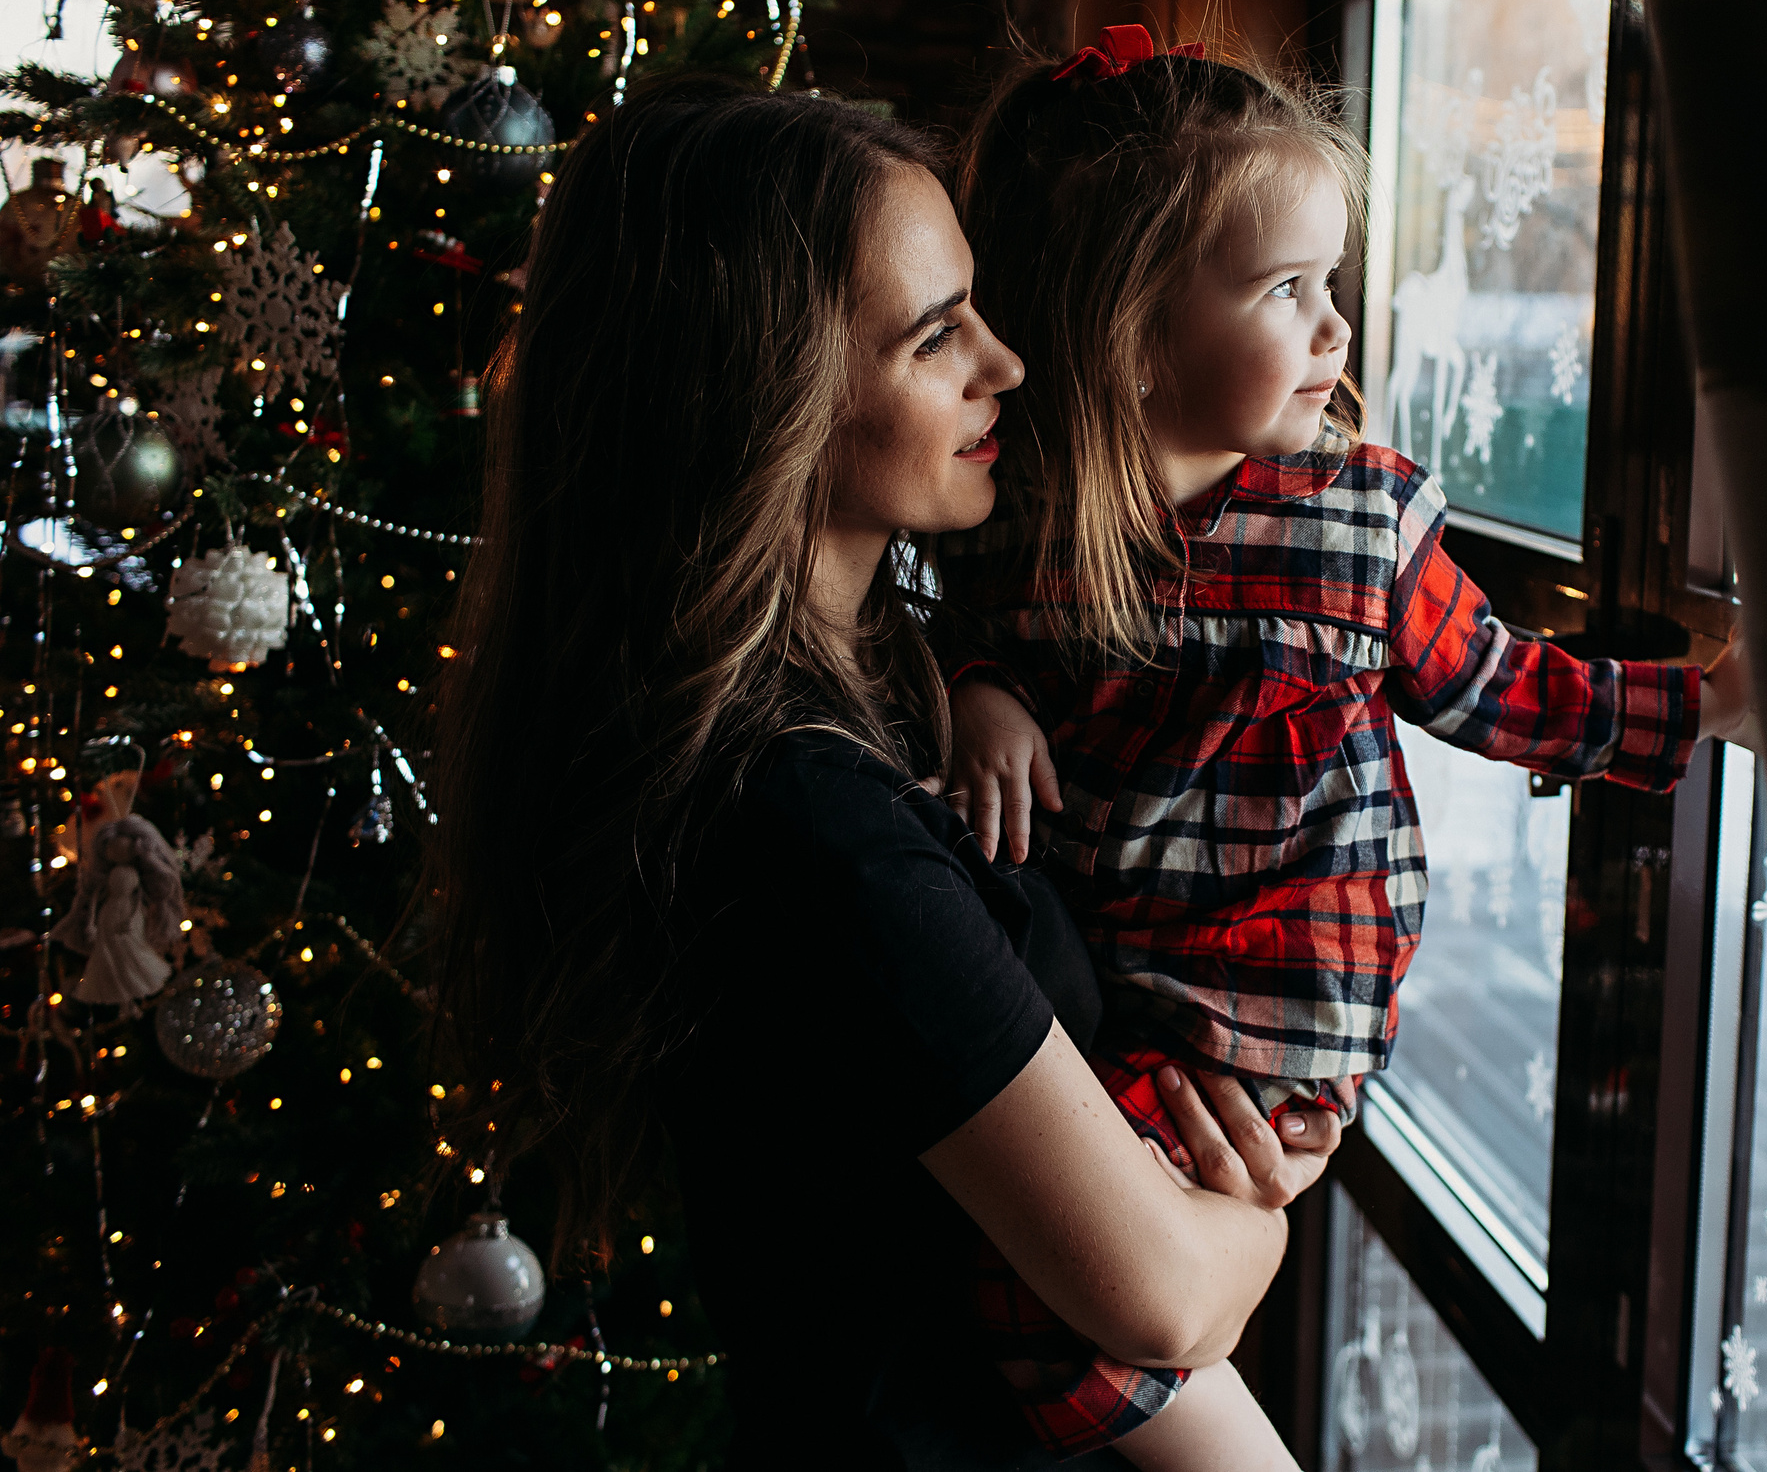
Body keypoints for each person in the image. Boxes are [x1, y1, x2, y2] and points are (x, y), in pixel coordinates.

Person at [421, 75, 1340, 1469]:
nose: (1007, 365)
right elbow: (1162, 1297)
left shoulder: (901, 690)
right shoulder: (809, 820)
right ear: (761, 393)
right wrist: (1270, 1194)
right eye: (934, 338)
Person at [933, 27, 1756, 1466]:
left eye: (1333, 285)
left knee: (1051, 1314)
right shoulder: (1028, 525)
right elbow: (961, 635)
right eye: (1287, 291)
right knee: (1051, 1280)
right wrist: (985, 691)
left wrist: (1700, 705)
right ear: (1133, 334)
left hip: (1278, 1002)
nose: (1338, 330)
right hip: (1110, 984)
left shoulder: (1359, 518)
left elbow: (1504, 688)